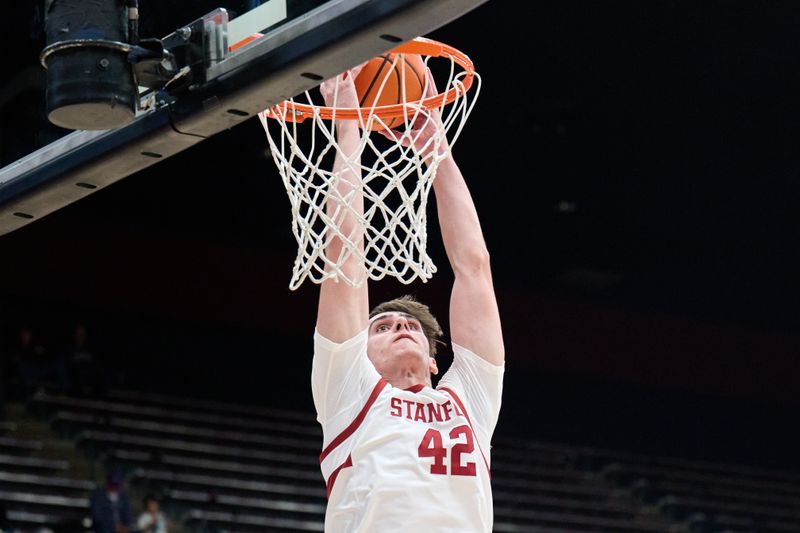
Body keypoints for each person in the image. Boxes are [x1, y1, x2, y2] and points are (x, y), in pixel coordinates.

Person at [312, 65, 505, 532]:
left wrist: (439, 152)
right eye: (383, 327)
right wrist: (348, 129)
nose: (400, 325)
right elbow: (345, 256)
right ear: (360, 350)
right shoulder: (349, 389)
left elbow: (474, 268)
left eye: (411, 326)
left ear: (435, 362)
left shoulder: (470, 401)